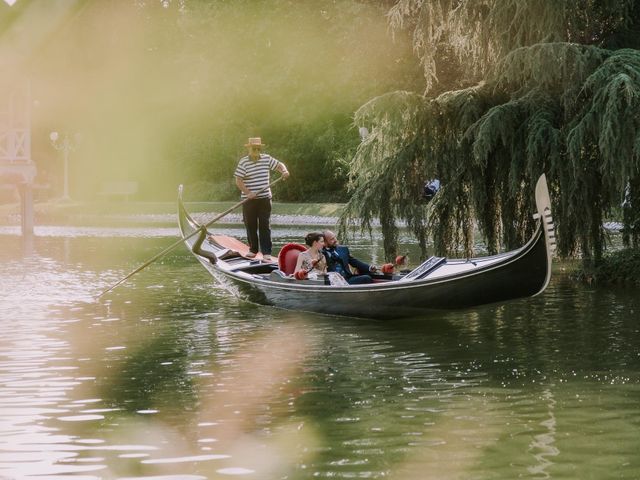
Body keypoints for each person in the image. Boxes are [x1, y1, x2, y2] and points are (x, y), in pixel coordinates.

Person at [234, 137, 289, 261]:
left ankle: (266, 253)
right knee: (251, 225)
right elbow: (238, 180)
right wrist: (248, 193)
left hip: (264, 199)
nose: (256, 150)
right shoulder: (243, 162)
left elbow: (280, 165)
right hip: (249, 200)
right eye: (254, 148)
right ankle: (253, 250)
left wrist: (284, 171)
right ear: (249, 149)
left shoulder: (266, 158)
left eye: (258, 148)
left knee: (265, 225)